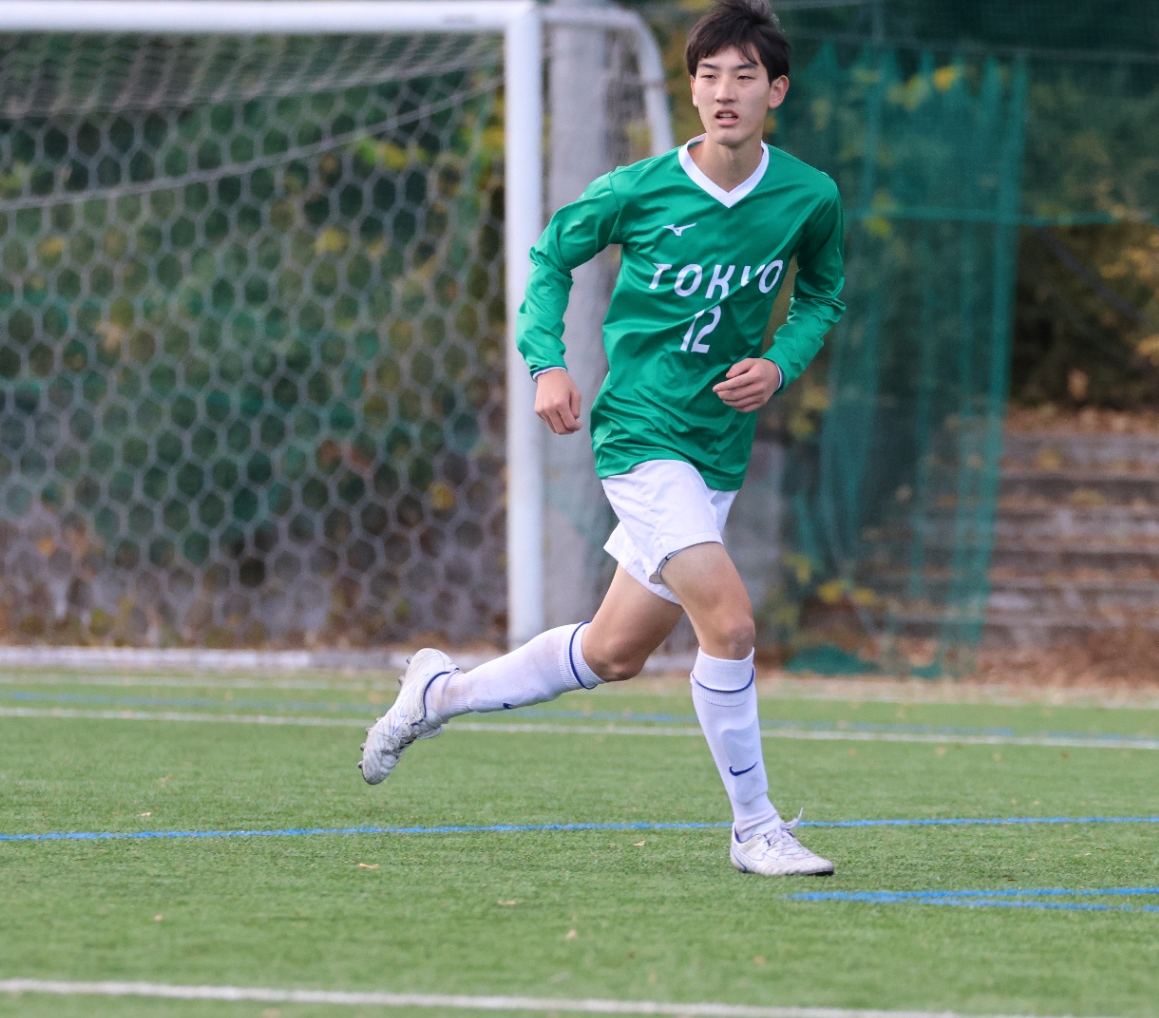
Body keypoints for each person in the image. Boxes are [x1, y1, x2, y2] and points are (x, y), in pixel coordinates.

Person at [359, 0, 844, 877]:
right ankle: (755, 828)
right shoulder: (639, 188)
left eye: (743, 75)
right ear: (691, 88)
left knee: (614, 652)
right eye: (707, 74)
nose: (723, 91)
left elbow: (822, 296)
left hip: (715, 449)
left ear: (776, 89)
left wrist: (779, 364)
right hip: (640, 437)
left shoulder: (808, 196)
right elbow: (549, 257)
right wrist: (546, 362)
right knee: (729, 627)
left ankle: (439, 692)